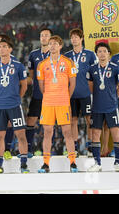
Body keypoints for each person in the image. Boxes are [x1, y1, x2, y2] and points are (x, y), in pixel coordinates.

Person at [36, 35, 78, 173]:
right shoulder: (42, 64)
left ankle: (72, 162)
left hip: (63, 102)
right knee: (47, 132)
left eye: (55, 43)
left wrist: (66, 97)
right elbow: (41, 87)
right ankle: (46, 163)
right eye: (50, 43)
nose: (52, 46)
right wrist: (49, 96)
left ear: (60, 46)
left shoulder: (68, 62)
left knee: (67, 132)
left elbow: (73, 84)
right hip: (48, 102)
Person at [0, 39, 29, 174]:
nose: (1, 49)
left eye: (4, 46)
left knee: (21, 135)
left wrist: (17, 98)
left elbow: (24, 85)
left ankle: (23, 164)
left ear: (10, 49)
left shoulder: (18, 66)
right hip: (0, 106)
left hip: (14, 106)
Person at [87, 42, 119, 172]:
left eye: (104, 51)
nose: (102, 54)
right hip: (96, 107)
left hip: (111, 107)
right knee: (95, 134)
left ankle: (118, 162)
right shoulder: (92, 69)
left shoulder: (115, 68)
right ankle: (97, 163)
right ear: (96, 54)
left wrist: (114, 99)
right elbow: (91, 87)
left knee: (116, 133)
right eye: (100, 51)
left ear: (109, 53)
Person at [64, 28, 97, 156]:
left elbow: (95, 73)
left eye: (76, 37)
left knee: (89, 120)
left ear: (82, 38)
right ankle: (75, 148)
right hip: (71, 94)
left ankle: (90, 147)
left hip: (86, 93)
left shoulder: (89, 54)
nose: (74, 39)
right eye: (72, 37)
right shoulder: (67, 56)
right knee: (73, 120)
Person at [26, 28, 52, 158]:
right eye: (42, 35)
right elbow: (31, 76)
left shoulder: (55, 54)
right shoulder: (33, 54)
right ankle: (28, 149)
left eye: (46, 35)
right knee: (31, 121)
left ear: (51, 38)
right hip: (37, 95)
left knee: (50, 124)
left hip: (52, 96)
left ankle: (48, 151)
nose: (44, 38)